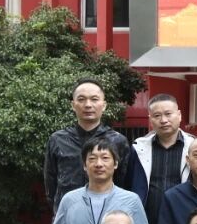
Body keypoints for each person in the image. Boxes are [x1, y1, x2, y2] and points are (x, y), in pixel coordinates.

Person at [46, 138, 152, 224]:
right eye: (92, 158)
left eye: (105, 158)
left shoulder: (131, 200)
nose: (99, 164)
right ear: (84, 165)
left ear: (115, 163)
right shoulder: (69, 201)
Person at [44, 78, 138, 211]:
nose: (88, 105)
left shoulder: (117, 141)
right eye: (81, 99)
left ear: (104, 105)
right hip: (67, 212)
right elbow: (50, 183)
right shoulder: (58, 139)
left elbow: (124, 182)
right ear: (73, 105)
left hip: (107, 214)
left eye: (94, 99)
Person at [130, 92, 194, 224]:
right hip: (145, 223)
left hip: (183, 222)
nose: (163, 120)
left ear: (179, 115)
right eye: (157, 115)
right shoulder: (138, 149)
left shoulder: (195, 148)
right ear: (150, 119)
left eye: (168, 114)